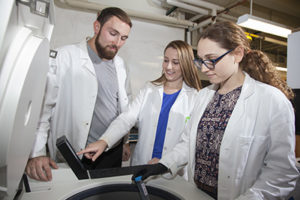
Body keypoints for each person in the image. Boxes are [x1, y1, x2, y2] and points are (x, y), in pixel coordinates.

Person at [132, 21, 300, 200]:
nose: (204, 69)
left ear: (237, 54)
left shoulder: (271, 100)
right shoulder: (204, 96)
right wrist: (164, 165)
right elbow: (188, 142)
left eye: (211, 60)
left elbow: (281, 173)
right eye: (201, 61)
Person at [25, 7, 133, 181]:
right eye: (113, 33)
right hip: (77, 152)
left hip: (112, 150)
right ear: (96, 27)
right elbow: (42, 111)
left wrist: (125, 141)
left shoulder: (121, 64)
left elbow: (125, 105)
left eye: (124, 38)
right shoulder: (63, 57)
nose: (118, 43)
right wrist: (36, 153)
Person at [77, 40, 202, 172]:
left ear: (186, 64)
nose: (169, 66)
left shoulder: (195, 98)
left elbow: (189, 142)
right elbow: (127, 118)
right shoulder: (149, 89)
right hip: (143, 164)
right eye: (166, 60)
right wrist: (104, 141)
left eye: (175, 62)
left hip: (173, 171)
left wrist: (166, 162)